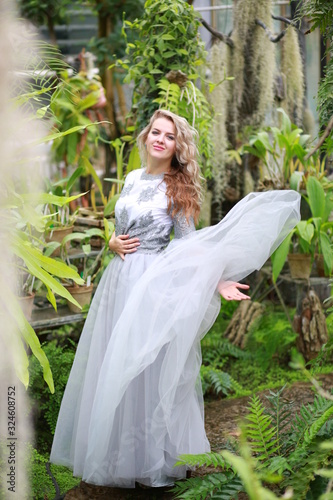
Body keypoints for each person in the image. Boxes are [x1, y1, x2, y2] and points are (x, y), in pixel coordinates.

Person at [50, 109, 300, 488]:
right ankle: (114, 455)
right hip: (117, 282)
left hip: (151, 283)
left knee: (143, 368)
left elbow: (188, 246)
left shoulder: (176, 188)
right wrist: (111, 241)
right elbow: (120, 227)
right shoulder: (133, 178)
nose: (160, 139)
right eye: (156, 132)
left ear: (176, 147)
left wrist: (217, 281)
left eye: (169, 136)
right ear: (146, 137)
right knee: (112, 363)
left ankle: (151, 459)